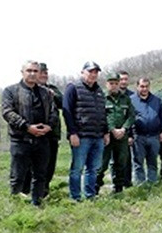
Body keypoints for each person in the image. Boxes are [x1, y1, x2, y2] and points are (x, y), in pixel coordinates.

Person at [2, 61, 57, 206]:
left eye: (35, 71)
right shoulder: (10, 91)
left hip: (42, 140)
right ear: (22, 72)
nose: (32, 73)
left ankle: (36, 203)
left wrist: (48, 127)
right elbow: (7, 112)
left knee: (40, 175)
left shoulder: (47, 93)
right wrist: (26, 127)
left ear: (39, 73)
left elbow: (54, 113)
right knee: (18, 176)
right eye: (29, 70)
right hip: (21, 139)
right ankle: (15, 206)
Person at [62, 61, 110, 201]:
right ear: (82, 72)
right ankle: (75, 197)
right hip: (81, 137)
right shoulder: (73, 88)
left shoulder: (99, 91)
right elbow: (67, 112)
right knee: (77, 169)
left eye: (96, 72)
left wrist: (105, 132)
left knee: (93, 169)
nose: (93, 75)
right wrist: (72, 133)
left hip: (98, 136)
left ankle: (90, 195)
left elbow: (103, 113)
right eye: (90, 71)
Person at [97, 73, 135, 194]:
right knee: (102, 164)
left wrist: (124, 129)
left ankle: (118, 188)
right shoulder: (101, 98)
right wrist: (112, 129)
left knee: (121, 162)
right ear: (106, 84)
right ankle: (95, 188)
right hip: (107, 136)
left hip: (122, 136)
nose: (114, 86)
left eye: (116, 83)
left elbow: (131, 115)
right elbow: (101, 116)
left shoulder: (126, 99)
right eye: (111, 83)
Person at [33, 62, 63, 197]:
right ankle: (30, 190)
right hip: (34, 133)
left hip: (52, 133)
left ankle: (45, 189)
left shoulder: (53, 88)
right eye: (41, 72)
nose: (44, 75)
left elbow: (62, 103)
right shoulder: (29, 89)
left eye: (46, 73)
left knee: (50, 163)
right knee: (33, 164)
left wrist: (52, 95)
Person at [130, 78, 162, 185]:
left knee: (152, 161)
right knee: (138, 162)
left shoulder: (157, 100)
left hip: (154, 136)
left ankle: (152, 183)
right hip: (138, 136)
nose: (144, 89)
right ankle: (140, 184)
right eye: (142, 86)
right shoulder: (131, 100)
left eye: (146, 86)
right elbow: (128, 118)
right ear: (137, 87)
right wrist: (130, 135)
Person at [117, 70, 134, 188]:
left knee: (127, 159)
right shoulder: (110, 94)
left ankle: (127, 183)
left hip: (127, 132)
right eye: (121, 79)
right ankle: (116, 184)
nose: (123, 81)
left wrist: (131, 134)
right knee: (114, 161)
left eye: (125, 79)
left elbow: (132, 116)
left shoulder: (132, 95)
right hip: (113, 133)